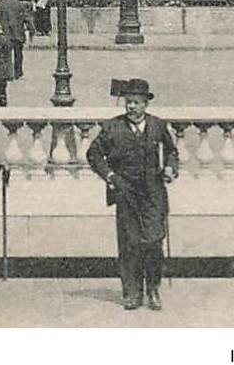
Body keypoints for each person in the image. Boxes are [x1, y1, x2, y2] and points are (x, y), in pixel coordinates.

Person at [85, 78, 179, 311]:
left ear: (146, 104)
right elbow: (93, 154)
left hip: (153, 192)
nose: (131, 107)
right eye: (128, 102)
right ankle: (132, 292)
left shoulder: (158, 125)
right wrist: (110, 176)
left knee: (155, 240)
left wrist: (170, 168)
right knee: (130, 243)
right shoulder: (112, 128)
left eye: (136, 102)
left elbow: (171, 151)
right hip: (126, 192)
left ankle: (153, 289)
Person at [0, 0, 29, 80]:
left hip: (5, 33)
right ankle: (18, 72)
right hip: (18, 33)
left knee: (5, 54)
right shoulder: (20, 5)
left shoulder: (1, 4)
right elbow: (26, 18)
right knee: (18, 54)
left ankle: (7, 72)